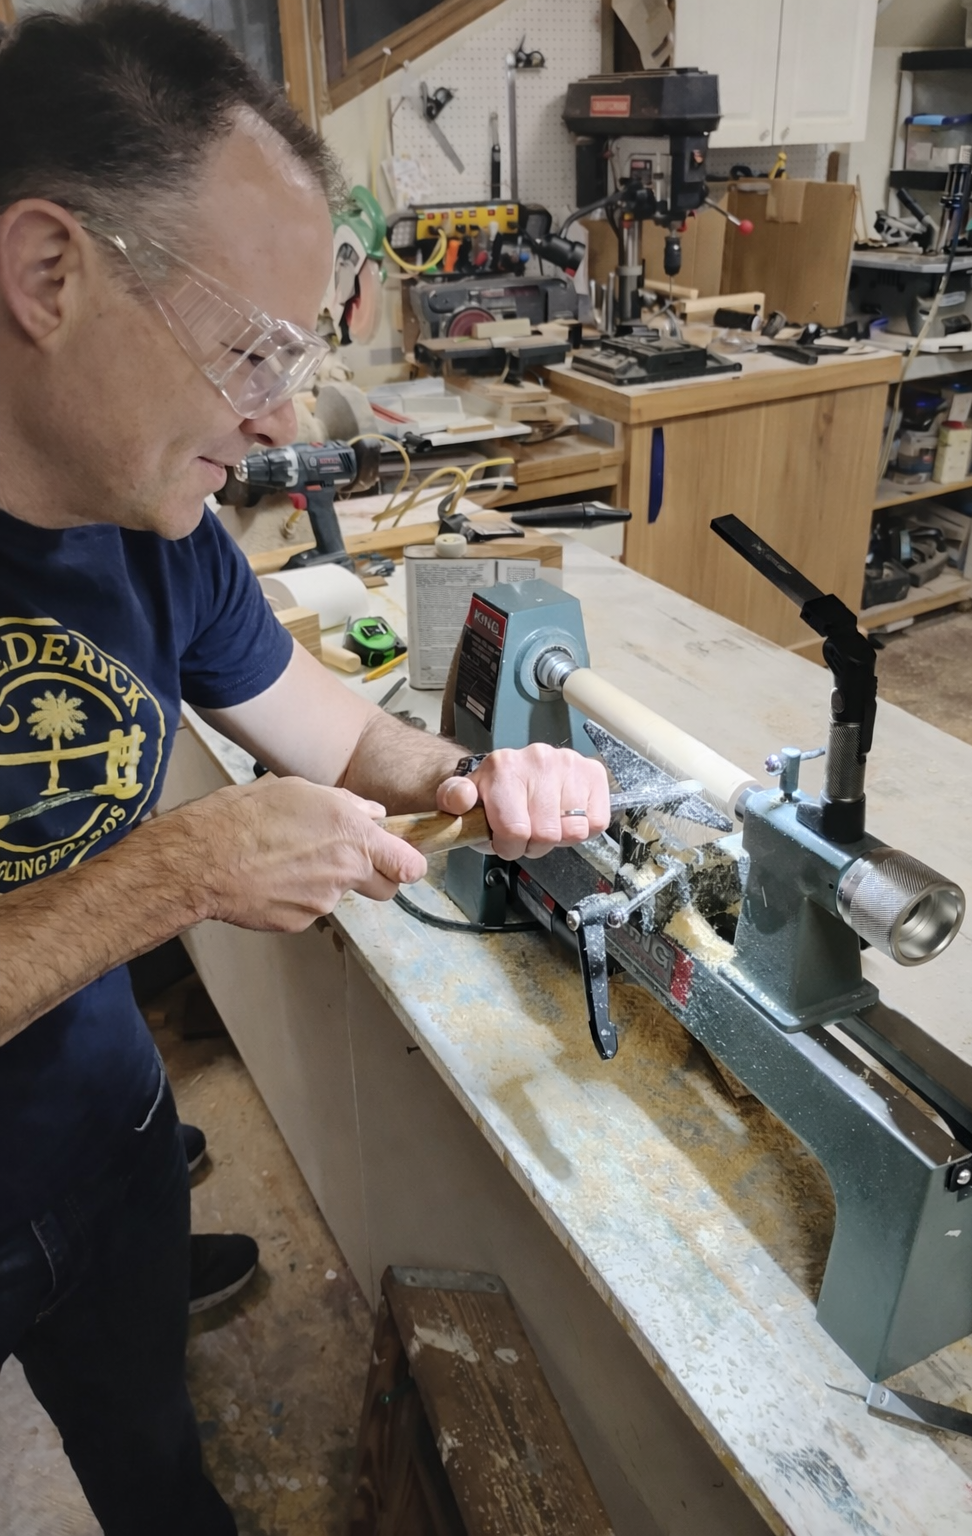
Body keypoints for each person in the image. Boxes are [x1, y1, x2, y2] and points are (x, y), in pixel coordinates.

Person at [0, 5, 610, 1532]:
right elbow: (179, 868)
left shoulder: (164, 527)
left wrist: (478, 777)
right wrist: (186, 868)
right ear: (47, 274)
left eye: (296, 351)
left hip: (104, 1147)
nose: (279, 421)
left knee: (154, 1469)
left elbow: (343, 735)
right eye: (245, 350)